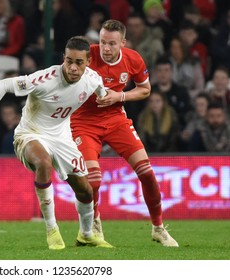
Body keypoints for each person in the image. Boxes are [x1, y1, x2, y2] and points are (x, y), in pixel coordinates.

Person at [0, 36, 113, 250]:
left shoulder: (93, 79)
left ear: (88, 62)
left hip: (62, 138)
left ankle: (87, 234)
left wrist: (107, 102)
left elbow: (103, 95)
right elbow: (2, 85)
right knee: (43, 163)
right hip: (30, 133)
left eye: (79, 62)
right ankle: (52, 230)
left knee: (86, 192)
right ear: (63, 58)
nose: (73, 67)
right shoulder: (45, 79)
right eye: (69, 61)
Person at [70, 19, 179, 247]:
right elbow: (65, 76)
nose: (105, 49)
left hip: (116, 119)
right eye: (102, 43)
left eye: (111, 44)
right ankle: (95, 224)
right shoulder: (87, 56)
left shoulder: (133, 59)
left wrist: (119, 96)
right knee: (94, 179)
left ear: (123, 42)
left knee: (147, 172)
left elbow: (145, 90)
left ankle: (158, 228)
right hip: (83, 122)